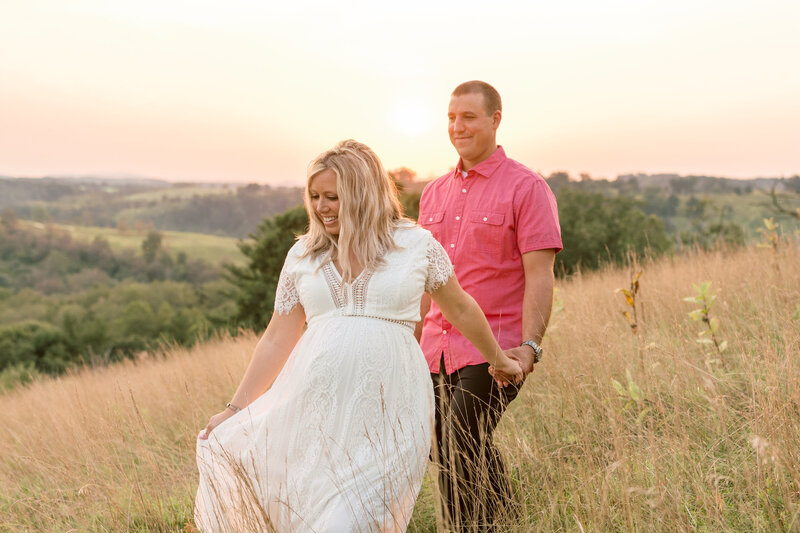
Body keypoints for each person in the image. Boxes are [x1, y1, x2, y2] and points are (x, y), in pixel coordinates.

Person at [194, 139, 524, 532]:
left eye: (332, 196)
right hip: (318, 414)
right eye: (314, 196)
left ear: (363, 193)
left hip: (393, 410)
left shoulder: (415, 245)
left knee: (351, 520)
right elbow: (276, 338)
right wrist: (235, 409)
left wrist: (498, 359)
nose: (321, 206)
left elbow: (461, 309)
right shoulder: (303, 255)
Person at [417, 81, 563, 529]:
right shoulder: (432, 193)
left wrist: (530, 347)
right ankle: (509, 519)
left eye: (469, 117)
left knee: (459, 440)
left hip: (494, 349)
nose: (457, 127)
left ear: (495, 120)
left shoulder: (527, 188)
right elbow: (423, 279)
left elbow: (540, 276)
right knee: (444, 442)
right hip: (434, 349)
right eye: (451, 117)